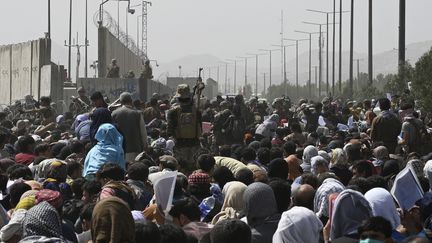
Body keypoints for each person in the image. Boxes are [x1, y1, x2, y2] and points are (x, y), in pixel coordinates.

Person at [167, 84, 202, 174]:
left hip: (180, 146)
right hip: (194, 146)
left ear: (178, 98)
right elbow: (200, 129)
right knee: (194, 171)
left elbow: (169, 131)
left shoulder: (173, 112)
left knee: (179, 171)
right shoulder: (196, 111)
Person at [112, 92, 148, 161]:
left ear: (121, 102)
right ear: (131, 101)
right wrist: (145, 146)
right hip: (135, 148)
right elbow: (143, 132)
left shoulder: (114, 114)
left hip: (119, 149)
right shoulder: (137, 113)